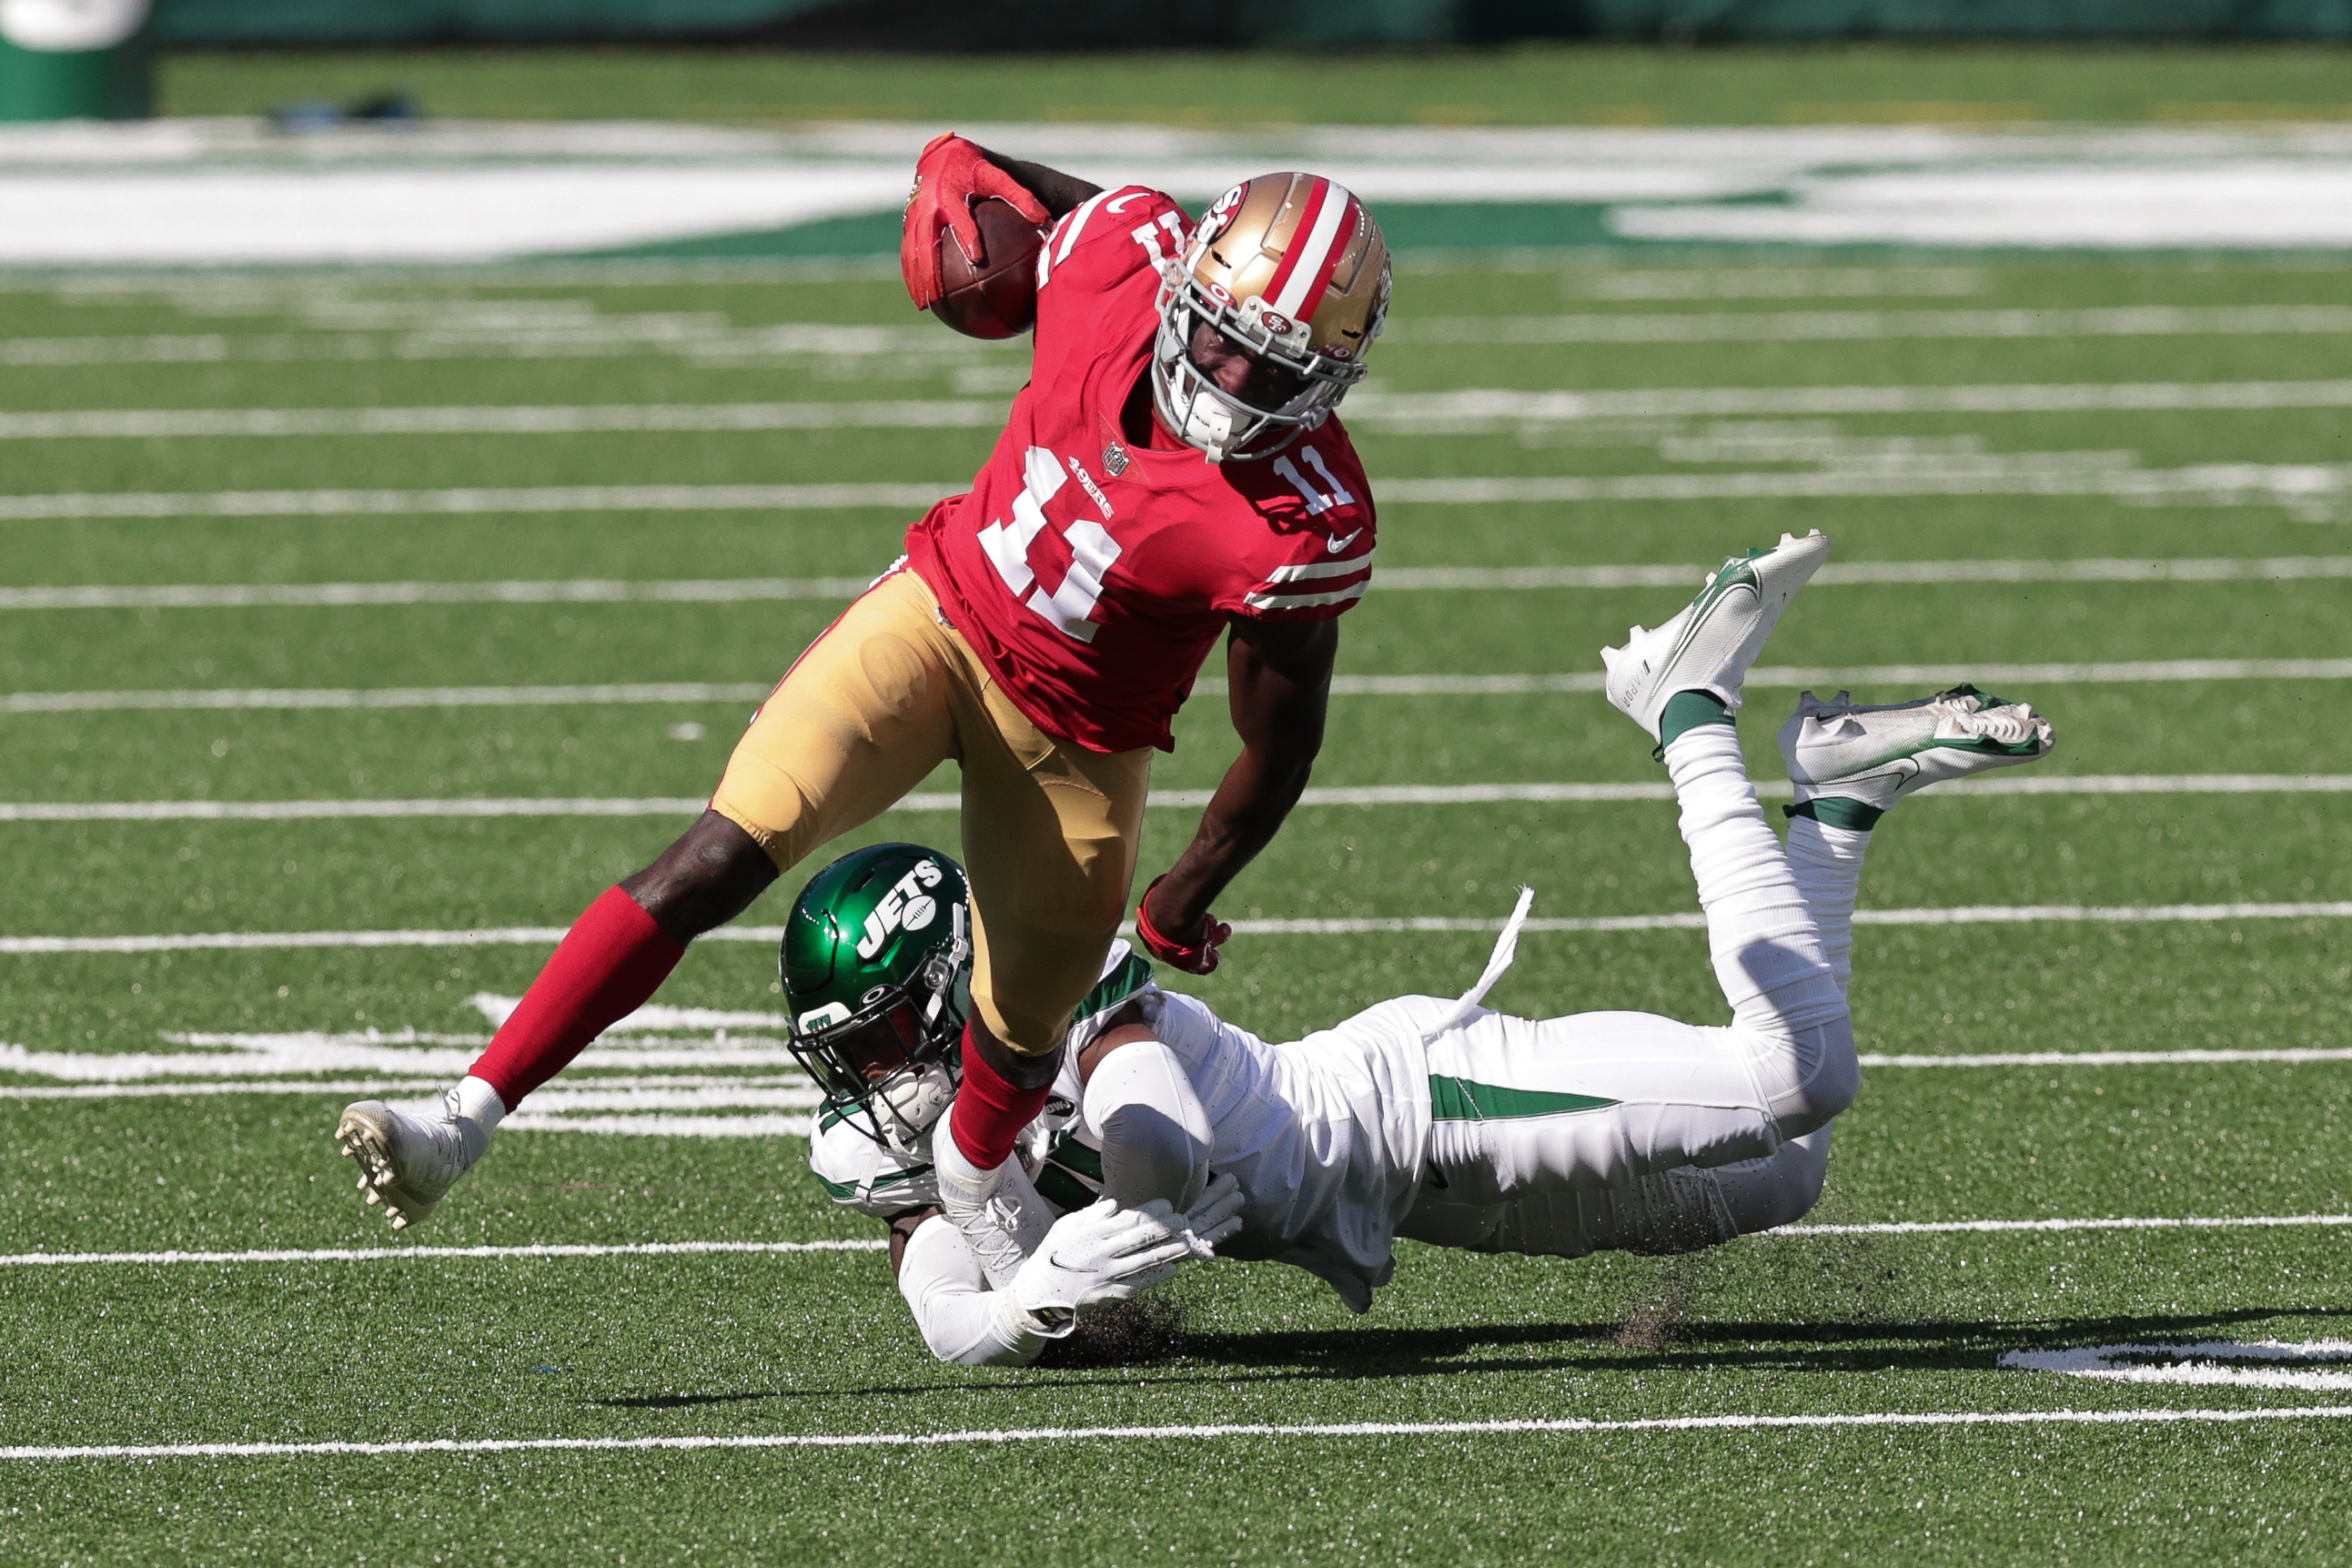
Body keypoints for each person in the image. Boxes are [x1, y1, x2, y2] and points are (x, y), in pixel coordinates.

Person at [334, 136, 1395, 1261]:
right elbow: (1035, 187)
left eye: (1275, 372)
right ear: (1183, 286)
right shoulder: (1115, 263)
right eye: (1226, 344)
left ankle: (976, 1189)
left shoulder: (1300, 522)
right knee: (718, 852)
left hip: (1077, 743)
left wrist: (1180, 899)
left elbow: (1276, 749)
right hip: (937, 619)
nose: (1233, 386)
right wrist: (954, 172)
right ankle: (463, 1119)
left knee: (1018, 1041)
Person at [790, 531, 2058, 1365]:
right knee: (1791, 1174)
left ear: (960, 978)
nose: (877, 1075)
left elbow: (1160, 1133)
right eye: (854, 1050)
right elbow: (943, 1310)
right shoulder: (897, 1131)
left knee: (1798, 1081)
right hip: (1424, 1201)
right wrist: (1019, 1303)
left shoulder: (1061, 970)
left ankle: (1687, 709)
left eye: (894, 1029)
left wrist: (1122, 1204)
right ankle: (1837, 801)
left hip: (1421, 1099)